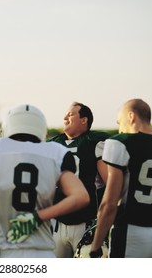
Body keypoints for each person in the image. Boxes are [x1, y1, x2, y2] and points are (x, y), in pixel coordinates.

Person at [0, 104, 90, 258]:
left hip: (3, 249)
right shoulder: (55, 153)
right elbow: (81, 197)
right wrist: (38, 216)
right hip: (42, 252)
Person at [90, 98, 152, 258]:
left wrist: (95, 247)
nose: (120, 128)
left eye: (120, 121)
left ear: (131, 117)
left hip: (130, 233)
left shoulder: (120, 143)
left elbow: (109, 204)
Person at [47, 102, 110, 257]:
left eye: (70, 114)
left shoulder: (94, 142)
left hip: (86, 223)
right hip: (57, 224)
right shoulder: (53, 143)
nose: (65, 117)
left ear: (84, 120)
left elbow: (110, 184)